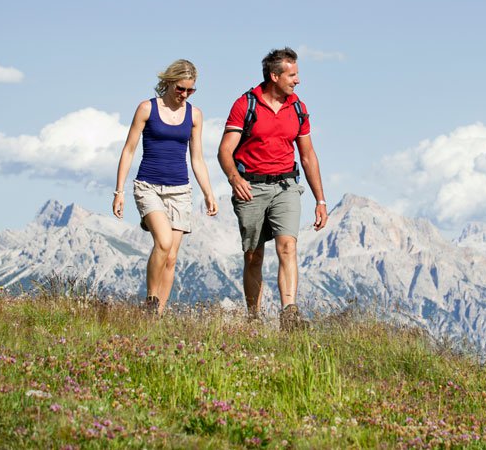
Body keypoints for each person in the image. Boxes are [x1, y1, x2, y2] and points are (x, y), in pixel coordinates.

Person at [218, 47, 328, 330]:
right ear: (274, 75)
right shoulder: (246, 104)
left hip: (286, 186)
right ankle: (253, 318)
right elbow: (225, 151)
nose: (297, 80)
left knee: (288, 246)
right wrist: (234, 178)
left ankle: (289, 314)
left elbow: (307, 156)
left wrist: (321, 200)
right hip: (251, 188)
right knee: (253, 256)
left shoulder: (298, 108)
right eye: (292, 75)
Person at [113, 59, 218, 314]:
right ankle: (150, 302)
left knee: (171, 257)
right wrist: (119, 192)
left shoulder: (194, 115)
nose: (184, 95)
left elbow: (197, 158)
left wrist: (208, 193)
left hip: (180, 190)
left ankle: (157, 317)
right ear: (169, 82)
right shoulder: (146, 109)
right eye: (180, 89)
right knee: (163, 241)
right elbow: (128, 150)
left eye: (190, 90)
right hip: (148, 185)